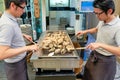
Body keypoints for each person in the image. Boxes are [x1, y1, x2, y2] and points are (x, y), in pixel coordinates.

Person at [77, 0, 120, 80]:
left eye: (98, 13)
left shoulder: (118, 27)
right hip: (95, 54)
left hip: (106, 61)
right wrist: (85, 31)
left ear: (109, 11)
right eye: (95, 13)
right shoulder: (103, 20)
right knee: (87, 73)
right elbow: (97, 29)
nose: (96, 16)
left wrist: (100, 44)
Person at [0, 0, 39, 80]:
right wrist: (28, 48)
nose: (24, 11)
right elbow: (2, 54)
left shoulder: (10, 18)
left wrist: (22, 35)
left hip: (19, 62)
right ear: (13, 5)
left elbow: (11, 33)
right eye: (22, 8)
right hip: (15, 66)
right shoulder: (7, 24)